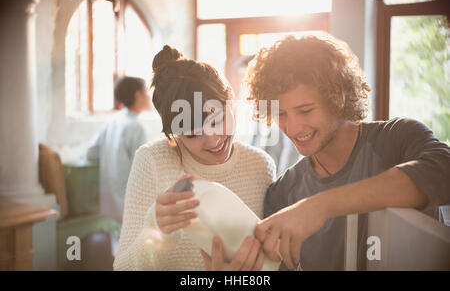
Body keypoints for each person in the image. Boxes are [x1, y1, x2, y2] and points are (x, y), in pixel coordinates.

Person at [239, 32, 450, 270]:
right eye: (281, 114)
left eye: (306, 110)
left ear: (337, 97)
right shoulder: (284, 191)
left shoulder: (397, 139)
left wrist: (319, 206)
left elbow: (444, 172)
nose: (293, 127)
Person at [113, 45, 276, 270]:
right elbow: (122, 268)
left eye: (217, 120)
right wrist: (158, 231)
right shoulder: (153, 161)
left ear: (231, 101)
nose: (213, 140)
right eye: (192, 134)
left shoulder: (260, 166)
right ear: (175, 133)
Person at [87, 76, 150, 225]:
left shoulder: (113, 120)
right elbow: (143, 169)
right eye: (146, 92)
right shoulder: (136, 127)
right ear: (137, 95)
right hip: (129, 203)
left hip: (108, 202)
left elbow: (91, 152)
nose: (149, 97)